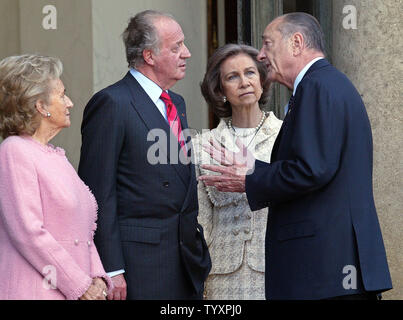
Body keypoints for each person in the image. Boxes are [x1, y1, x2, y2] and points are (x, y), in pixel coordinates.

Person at [199, 12, 392, 300]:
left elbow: (312, 169)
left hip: (324, 272)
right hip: (334, 271)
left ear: (296, 43)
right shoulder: (330, 84)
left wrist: (250, 178)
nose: (262, 55)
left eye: (268, 44)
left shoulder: (316, 86)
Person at [78, 10, 211, 300]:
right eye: (176, 47)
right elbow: (97, 191)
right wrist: (111, 267)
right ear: (149, 56)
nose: (186, 53)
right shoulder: (112, 103)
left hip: (185, 259)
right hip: (139, 264)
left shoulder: (176, 102)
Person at [0, 54, 112, 300]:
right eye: (61, 95)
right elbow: (29, 233)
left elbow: (83, 232)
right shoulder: (14, 150)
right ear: (40, 106)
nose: (70, 102)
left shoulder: (56, 156)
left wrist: (96, 277)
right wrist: (80, 285)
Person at [194, 44, 282, 299]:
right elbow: (200, 222)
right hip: (221, 276)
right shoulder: (202, 145)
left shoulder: (286, 135)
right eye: (232, 77)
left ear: (263, 80)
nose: (244, 82)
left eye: (250, 73)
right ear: (219, 90)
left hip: (277, 268)